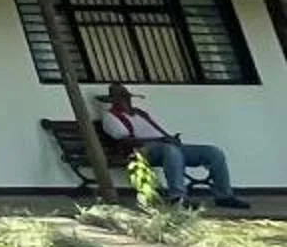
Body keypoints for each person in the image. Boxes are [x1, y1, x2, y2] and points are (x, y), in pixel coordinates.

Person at [99, 83, 252, 210]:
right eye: (120, 98)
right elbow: (125, 140)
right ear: (113, 100)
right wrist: (162, 140)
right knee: (170, 151)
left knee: (213, 152)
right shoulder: (110, 117)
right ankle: (178, 197)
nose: (125, 101)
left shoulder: (141, 113)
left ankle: (224, 195)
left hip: (165, 146)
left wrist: (170, 138)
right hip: (141, 151)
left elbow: (159, 131)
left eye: (126, 97)